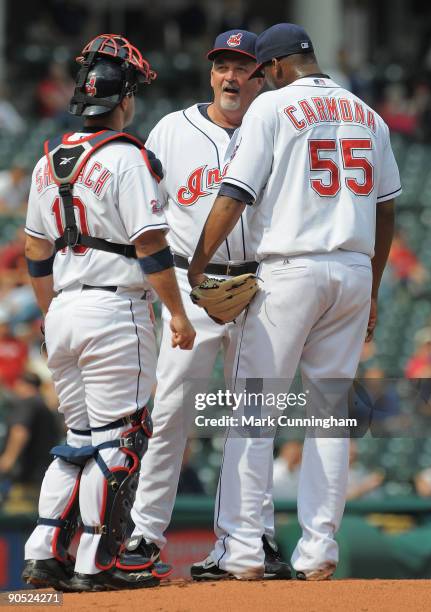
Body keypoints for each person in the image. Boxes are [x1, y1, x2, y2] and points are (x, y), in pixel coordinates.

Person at [188, 23, 401, 580]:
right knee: (330, 416)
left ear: (276, 67)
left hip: (291, 269)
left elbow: (235, 194)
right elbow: (386, 210)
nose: (259, 77)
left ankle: (241, 553)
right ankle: (318, 552)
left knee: (254, 411)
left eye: (262, 69)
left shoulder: (273, 107)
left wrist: (198, 261)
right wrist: (373, 287)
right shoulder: (368, 114)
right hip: (353, 270)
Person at [21, 34, 195, 593]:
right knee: (119, 439)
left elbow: (33, 252)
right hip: (115, 310)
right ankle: (97, 563)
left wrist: (51, 318)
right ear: (124, 102)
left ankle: (43, 552)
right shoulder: (128, 156)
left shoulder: (46, 161)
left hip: (64, 310)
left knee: (76, 439)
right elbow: (150, 245)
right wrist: (178, 313)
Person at [118, 30, 291, 581]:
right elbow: (142, 212)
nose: (232, 77)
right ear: (211, 72)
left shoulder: (278, 130)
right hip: (192, 291)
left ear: (261, 76)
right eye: (223, 66)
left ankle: (251, 537)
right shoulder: (172, 130)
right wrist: (156, 289)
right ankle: (144, 534)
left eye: (244, 67)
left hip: (260, 288)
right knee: (170, 413)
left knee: (255, 415)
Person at [0, 372, 61, 512]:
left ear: (23, 385)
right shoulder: (44, 407)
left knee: (17, 520)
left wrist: (8, 459)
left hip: (26, 480)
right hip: (43, 477)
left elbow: (20, 431)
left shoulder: (27, 403)